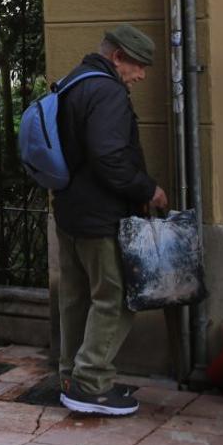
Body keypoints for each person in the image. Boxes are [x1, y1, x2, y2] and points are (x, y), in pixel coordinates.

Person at [55, 25, 167, 417]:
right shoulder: (107, 92)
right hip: (99, 215)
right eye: (139, 65)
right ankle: (91, 383)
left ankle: (70, 376)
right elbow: (109, 157)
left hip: (69, 210)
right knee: (117, 297)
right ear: (118, 56)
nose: (142, 75)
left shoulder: (72, 82)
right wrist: (146, 189)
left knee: (75, 295)